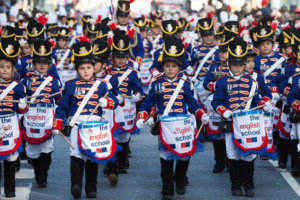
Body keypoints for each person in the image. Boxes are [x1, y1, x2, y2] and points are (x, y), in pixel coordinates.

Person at [137, 38, 209, 200]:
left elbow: (192, 104)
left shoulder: (185, 83)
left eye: (174, 66)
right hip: (165, 126)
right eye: (167, 66)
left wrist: (201, 115)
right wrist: (142, 116)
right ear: (162, 66)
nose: (170, 69)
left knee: (184, 155)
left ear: (179, 67)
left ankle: (180, 179)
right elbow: (147, 104)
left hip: (183, 124)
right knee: (166, 158)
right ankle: (167, 189)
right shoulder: (156, 83)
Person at [52, 39, 118, 199]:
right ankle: (76, 185)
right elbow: (62, 107)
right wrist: (57, 124)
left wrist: (107, 101)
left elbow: (115, 102)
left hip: (95, 127)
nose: (86, 71)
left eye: (89, 67)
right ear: (77, 69)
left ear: (93, 67)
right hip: (76, 126)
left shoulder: (102, 85)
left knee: (92, 158)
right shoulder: (70, 85)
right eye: (82, 68)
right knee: (76, 155)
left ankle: (91, 188)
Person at [212, 37, 271, 197]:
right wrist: (224, 111)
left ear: (244, 65)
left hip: (248, 125)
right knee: (232, 155)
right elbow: (216, 102)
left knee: (250, 154)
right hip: (231, 124)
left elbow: (256, 99)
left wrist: (264, 103)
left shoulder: (252, 82)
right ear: (230, 64)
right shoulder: (222, 82)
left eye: (240, 64)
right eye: (234, 64)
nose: (237, 68)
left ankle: (249, 184)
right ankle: (235, 185)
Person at [21, 40, 62, 188]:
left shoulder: (54, 82)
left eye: (45, 62)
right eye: (39, 62)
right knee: (32, 150)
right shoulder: (25, 81)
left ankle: (42, 173)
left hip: (47, 120)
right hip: (30, 119)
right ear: (34, 63)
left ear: (49, 64)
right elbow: (21, 99)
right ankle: (38, 170)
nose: (42, 65)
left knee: (47, 148)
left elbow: (60, 100)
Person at [108, 33, 144, 174]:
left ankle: (122, 162)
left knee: (123, 137)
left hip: (126, 108)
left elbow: (139, 90)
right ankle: (111, 163)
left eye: (123, 57)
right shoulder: (107, 71)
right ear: (113, 57)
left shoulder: (133, 73)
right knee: (110, 135)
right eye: (118, 57)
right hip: (111, 108)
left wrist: (137, 96)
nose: (121, 60)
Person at [203, 30, 235, 173]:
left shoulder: (235, 66)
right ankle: (219, 162)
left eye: (225, 51)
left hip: (231, 103)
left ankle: (230, 161)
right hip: (217, 103)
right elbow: (206, 83)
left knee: (230, 133)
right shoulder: (214, 66)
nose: (222, 54)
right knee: (217, 135)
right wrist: (214, 85)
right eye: (221, 51)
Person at [93, 38, 124, 185]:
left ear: (104, 64)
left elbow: (117, 95)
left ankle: (113, 170)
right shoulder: (86, 77)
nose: (91, 66)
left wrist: (118, 98)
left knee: (110, 139)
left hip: (108, 113)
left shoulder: (111, 79)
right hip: (93, 115)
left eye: (95, 63)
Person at [0, 38, 28, 198]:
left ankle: (10, 190)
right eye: (2, 67)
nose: (4, 70)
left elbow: (21, 109)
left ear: (12, 70)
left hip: (10, 125)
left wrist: (23, 105)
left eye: (7, 67)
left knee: (10, 159)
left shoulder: (18, 87)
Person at [115, 0, 144, 68]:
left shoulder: (135, 30)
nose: (123, 19)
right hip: (115, 66)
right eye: (121, 16)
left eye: (125, 16)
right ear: (117, 16)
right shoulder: (112, 31)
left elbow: (140, 50)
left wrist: (136, 64)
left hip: (132, 64)